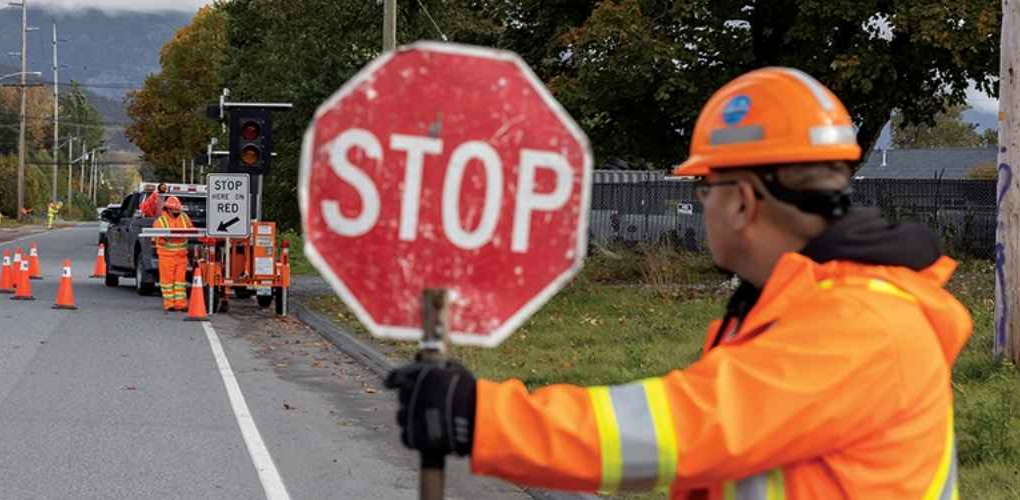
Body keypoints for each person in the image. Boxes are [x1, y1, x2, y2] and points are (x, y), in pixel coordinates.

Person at [385, 67, 973, 499]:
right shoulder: (802, 306)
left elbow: (683, 429)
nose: (699, 202)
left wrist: (481, 415)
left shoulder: (860, 326)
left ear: (742, 200)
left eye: (703, 187)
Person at [152, 196, 194, 311]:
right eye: (175, 210)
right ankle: (169, 304)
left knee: (180, 282)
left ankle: (181, 304)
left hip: (181, 256)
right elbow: (158, 239)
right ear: (168, 209)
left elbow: (191, 230)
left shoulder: (184, 217)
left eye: (178, 210)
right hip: (166, 257)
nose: (177, 212)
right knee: (167, 282)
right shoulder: (161, 221)